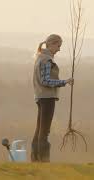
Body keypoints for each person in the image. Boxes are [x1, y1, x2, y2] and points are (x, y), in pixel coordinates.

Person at [31, 34, 73, 162]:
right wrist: (64, 82)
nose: (59, 49)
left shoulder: (40, 57)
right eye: (58, 46)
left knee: (39, 129)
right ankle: (43, 160)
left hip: (40, 97)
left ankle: (35, 159)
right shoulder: (46, 60)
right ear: (51, 44)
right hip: (47, 97)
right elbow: (45, 81)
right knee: (44, 131)